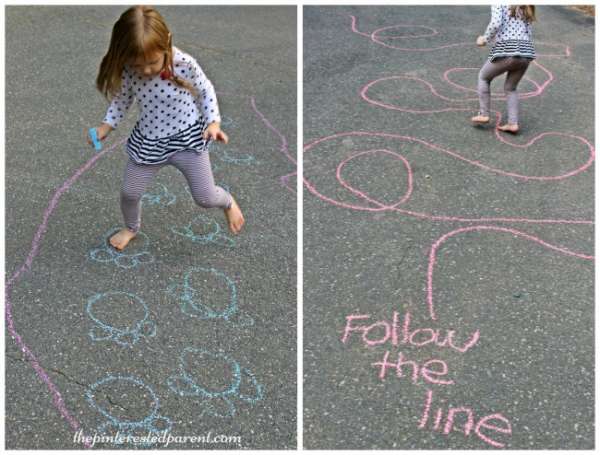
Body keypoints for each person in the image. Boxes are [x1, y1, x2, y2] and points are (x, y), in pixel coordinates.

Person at [86, 5, 244, 250]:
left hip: (188, 141)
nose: (146, 71)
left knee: (205, 197)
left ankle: (228, 202)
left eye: (152, 62)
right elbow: (122, 99)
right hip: (149, 142)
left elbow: (205, 90)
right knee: (129, 193)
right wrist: (106, 126)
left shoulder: (184, 63)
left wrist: (213, 122)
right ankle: (131, 227)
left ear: (166, 44)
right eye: (138, 66)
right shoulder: (129, 69)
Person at [471, 5, 536, 134]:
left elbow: (495, 23)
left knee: (484, 77)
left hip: (507, 50)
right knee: (510, 88)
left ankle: (483, 114)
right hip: (526, 52)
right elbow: (528, 30)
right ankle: (513, 123)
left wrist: (484, 39)